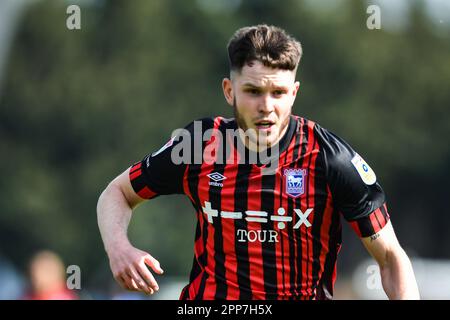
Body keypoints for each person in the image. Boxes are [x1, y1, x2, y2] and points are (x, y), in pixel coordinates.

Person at [97, 24, 420, 300]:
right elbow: (118, 193)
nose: (266, 106)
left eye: (278, 93)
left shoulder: (329, 158)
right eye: (252, 91)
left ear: (293, 93)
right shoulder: (198, 145)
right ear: (229, 90)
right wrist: (118, 248)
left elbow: (391, 259)